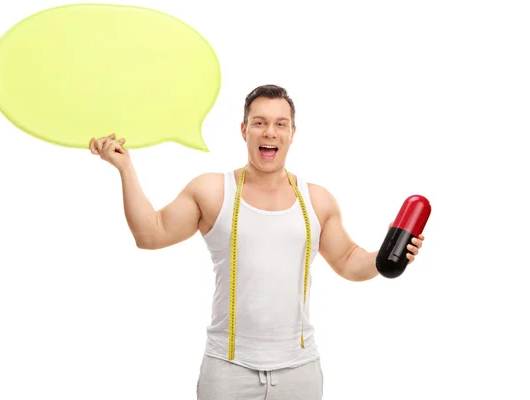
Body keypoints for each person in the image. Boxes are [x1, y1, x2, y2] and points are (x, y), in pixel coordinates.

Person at [89, 84, 425, 399]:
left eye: (281, 124)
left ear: (292, 133)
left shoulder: (318, 200)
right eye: (259, 122)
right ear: (243, 129)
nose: (270, 132)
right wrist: (125, 167)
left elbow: (350, 261)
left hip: (300, 371)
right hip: (228, 371)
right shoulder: (211, 190)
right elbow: (150, 234)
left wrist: (390, 253)